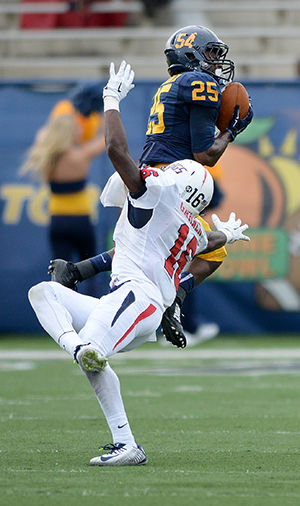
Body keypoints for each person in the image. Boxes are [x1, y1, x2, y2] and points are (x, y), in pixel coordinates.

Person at [28, 61, 250, 466]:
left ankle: (121, 428)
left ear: (178, 182)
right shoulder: (191, 227)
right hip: (132, 301)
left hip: (138, 299)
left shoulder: (157, 195)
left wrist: (111, 99)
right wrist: (227, 236)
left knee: (92, 353)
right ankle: (122, 436)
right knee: (44, 295)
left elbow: (116, 150)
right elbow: (210, 240)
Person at [48, 25, 253, 347]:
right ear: (191, 54)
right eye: (211, 54)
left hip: (151, 173)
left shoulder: (175, 83)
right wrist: (232, 131)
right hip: (171, 180)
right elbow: (205, 154)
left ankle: (77, 271)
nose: (216, 64)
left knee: (145, 247)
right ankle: (173, 300)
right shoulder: (198, 82)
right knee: (211, 252)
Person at [20, 95, 106, 266]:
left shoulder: (46, 157)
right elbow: (107, 139)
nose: (81, 131)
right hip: (81, 221)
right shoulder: (80, 156)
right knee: (90, 270)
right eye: (77, 129)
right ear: (70, 133)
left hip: (57, 222)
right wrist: (101, 114)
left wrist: (66, 114)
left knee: (60, 274)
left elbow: (43, 134)